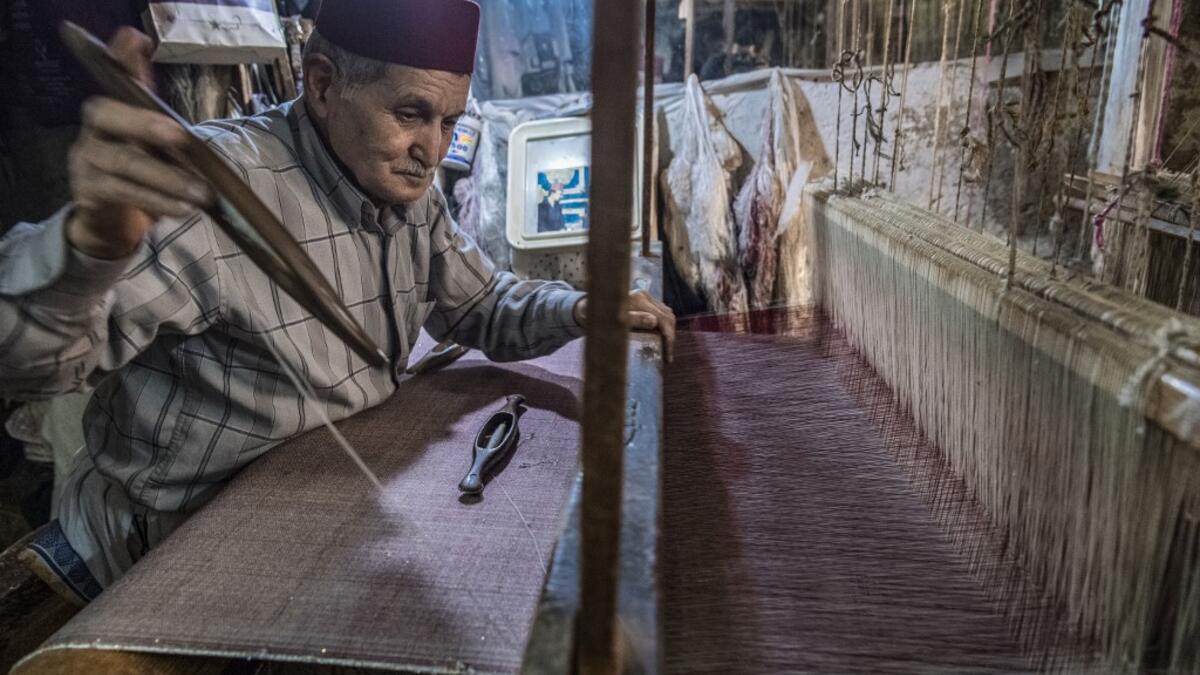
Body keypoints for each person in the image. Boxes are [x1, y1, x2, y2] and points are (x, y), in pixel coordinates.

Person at [0, 0, 674, 602]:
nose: (431, 149)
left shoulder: (411, 197)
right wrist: (90, 245)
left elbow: (482, 304)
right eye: (411, 112)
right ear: (322, 84)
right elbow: (25, 361)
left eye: (449, 121)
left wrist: (583, 309)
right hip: (177, 548)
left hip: (323, 511)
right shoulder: (214, 193)